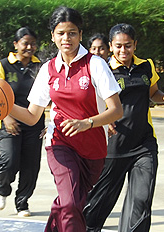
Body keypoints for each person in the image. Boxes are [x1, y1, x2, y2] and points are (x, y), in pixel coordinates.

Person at [8, 6, 123, 232]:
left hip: (94, 149)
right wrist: (5, 108)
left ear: (80, 34)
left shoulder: (95, 64)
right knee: (70, 203)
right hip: (60, 144)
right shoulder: (48, 70)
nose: (66, 38)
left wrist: (86, 123)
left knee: (70, 204)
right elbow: (32, 116)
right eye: (60, 33)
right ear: (53, 36)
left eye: (71, 33)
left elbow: (116, 110)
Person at [83, 23, 164, 232]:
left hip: (143, 144)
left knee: (141, 201)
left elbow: (153, 93)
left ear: (135, 45)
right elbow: (92, 103)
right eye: (118, 46)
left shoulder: (146, 66)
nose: (123, 51)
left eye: (128, 46)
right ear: (111, 46)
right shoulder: (103, 70)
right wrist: (103, 120)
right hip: (112, 147)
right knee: (97, 205)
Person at [0, 27, 44, 217]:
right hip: (9, 122)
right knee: (10, 160)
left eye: (33, 43)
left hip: (34, 123)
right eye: (25, 43)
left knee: (30, 166)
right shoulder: (3, 65)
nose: (30, 47)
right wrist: (6, 117)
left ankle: (22, 203)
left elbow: (49, 96)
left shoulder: (41, 66)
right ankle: (2, 190)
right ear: (15, 44)